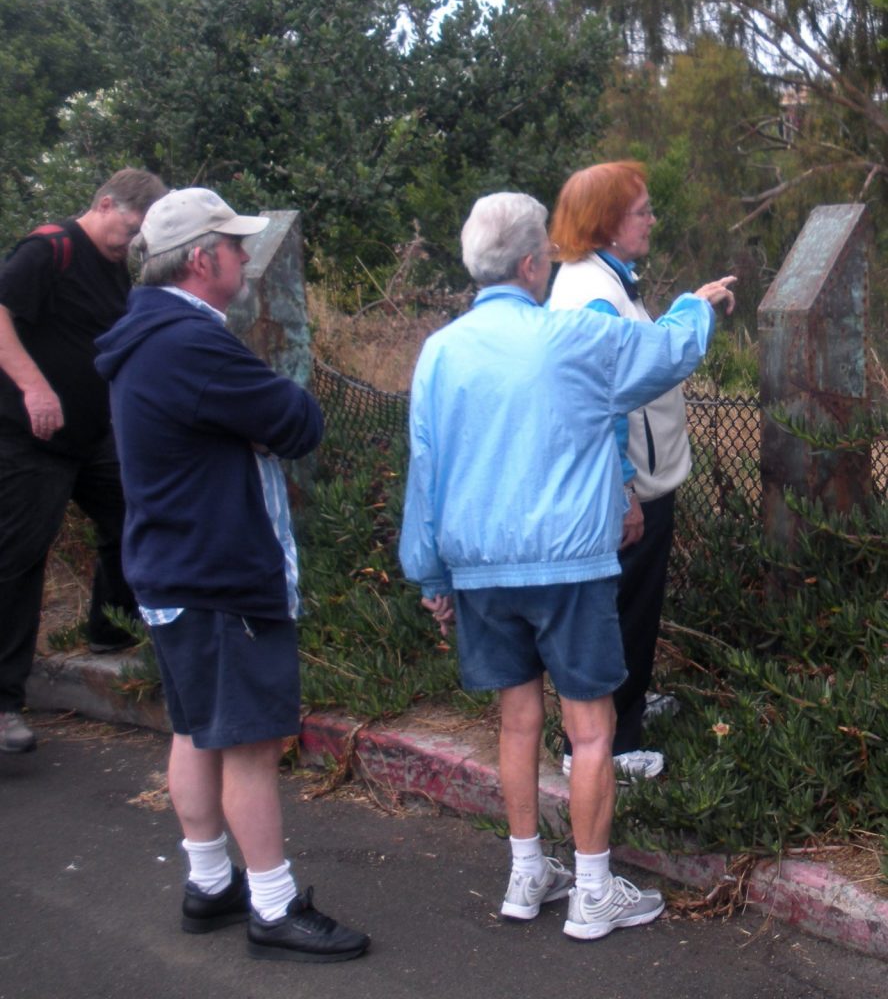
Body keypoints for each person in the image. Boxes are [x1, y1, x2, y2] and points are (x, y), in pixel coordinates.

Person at [399, 192, 735, 941]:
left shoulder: (440, 352)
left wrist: (429, 574)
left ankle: (526, 874)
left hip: (480, 566)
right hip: (569, 563)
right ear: (528, 263)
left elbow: (426, 466)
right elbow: (669, 353)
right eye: (543, 253)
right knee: (590, 730)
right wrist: (694, 305)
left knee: (517, 724)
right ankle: (591, 890)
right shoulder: (572, 340)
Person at [94, 187, 369, 963]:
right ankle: (274, 905)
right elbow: (298, 422)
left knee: (195, 732)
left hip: (171, 567)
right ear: (202, 259)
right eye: (237, 246)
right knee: (250, 742)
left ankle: (210, 881)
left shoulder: (140, 335)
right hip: (219, 573)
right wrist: (269, 416)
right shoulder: (192, 343)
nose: (247, 258)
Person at [549, 161, 724, 781]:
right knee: (622, 605)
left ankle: (625, 707)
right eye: (642, 210)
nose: (652, 219)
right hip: (627, 489)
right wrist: (623, 489)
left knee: (636, 603)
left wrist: (690, 307)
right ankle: (608, 745)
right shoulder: (592, 295)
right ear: (607, 222)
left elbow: (642, 353)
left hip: (638, 482)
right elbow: (604, 398)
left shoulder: (607, 280)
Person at [0, 168, 167, 754]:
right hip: (29, 436)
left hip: (92, 435)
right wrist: (33, 388)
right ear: (104, 205)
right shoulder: (50, 249)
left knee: (133, 514)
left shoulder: (115, 267)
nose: (133, 241)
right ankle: (3, 704)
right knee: (19, 557)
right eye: (130, 228)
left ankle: (109, 631)